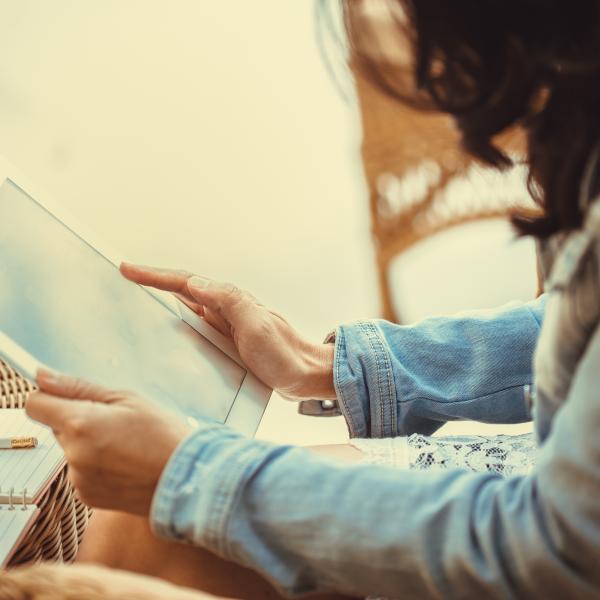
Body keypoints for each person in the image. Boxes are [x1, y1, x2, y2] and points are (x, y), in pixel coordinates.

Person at [6, 0, 600, 597]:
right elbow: (574, 328)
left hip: (554, 537)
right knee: (142, 521)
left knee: (152, 524)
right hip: (550, 481)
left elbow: (563, 551)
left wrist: (195, 476)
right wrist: (328, 367)